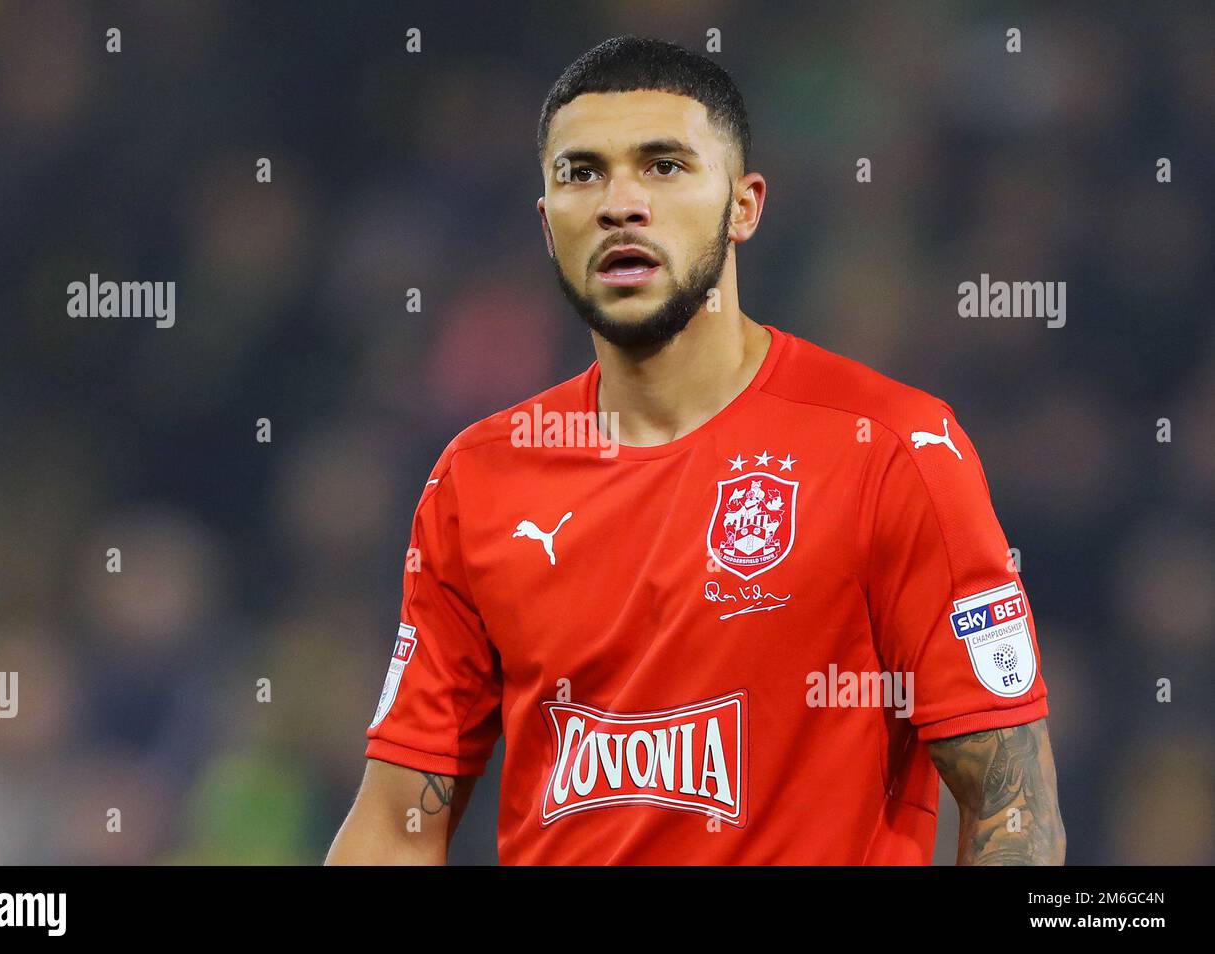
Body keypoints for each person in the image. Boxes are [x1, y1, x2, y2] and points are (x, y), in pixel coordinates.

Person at [327, 36, 1065, 865]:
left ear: (744, 206)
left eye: (665, 166)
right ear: (547, 221)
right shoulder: (481, 478)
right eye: (581, 174)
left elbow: (1014, 815)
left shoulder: (893, 449)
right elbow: (397, 824)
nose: (619, 203)